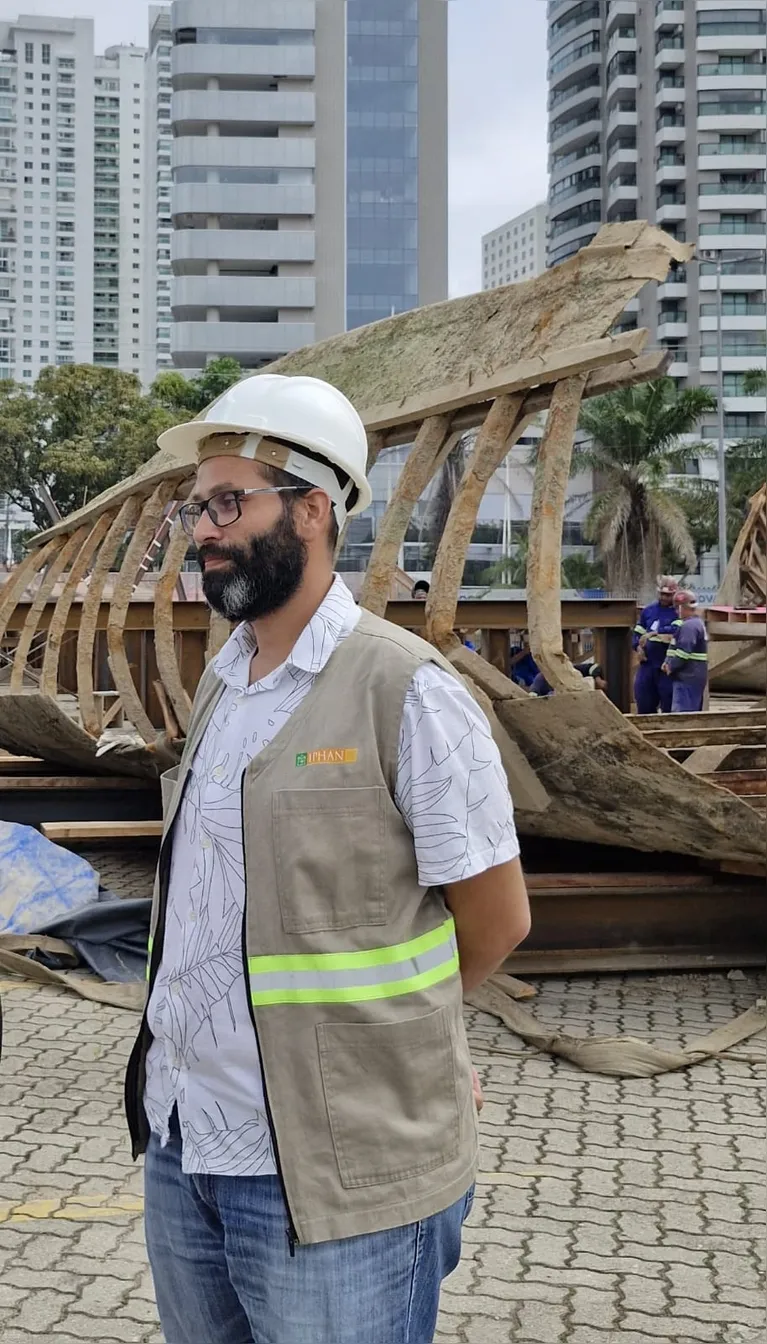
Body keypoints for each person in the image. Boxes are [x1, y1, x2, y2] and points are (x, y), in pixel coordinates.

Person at [125, 373, 531, 1344]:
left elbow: (495, 918)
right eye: (197, 505)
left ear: (312, 510)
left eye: (229, 502)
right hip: (185, 1150)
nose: (203, 528)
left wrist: (406, 1048)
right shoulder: (225, 683)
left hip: (331, 1174)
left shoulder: (405, 695)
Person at [632, 577, 680, 715]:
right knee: (643, 700)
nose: (664, 598)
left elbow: (676, 630)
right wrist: (638, 648)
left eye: (668, 595)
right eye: (662, 594)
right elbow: (637, 633)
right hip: (648, 664)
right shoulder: (649, 611)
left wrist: (654, 633)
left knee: (669, 705)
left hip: (667, 667)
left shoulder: (678, 612)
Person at [662, 590, 708, 713]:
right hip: (692, 674)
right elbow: (675, 647)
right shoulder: (695, 623)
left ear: (682, 607)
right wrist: (667, 661)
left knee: (682, 714)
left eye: (677, 608)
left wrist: (671, 666)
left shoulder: (689, 627)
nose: (676, 611)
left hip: (687, 675)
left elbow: (683, 652)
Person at [529, 659, 607, 698]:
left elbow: (592, 667)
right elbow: (533, 693)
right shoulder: (541, 678)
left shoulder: (569, 670)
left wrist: (598, 679)